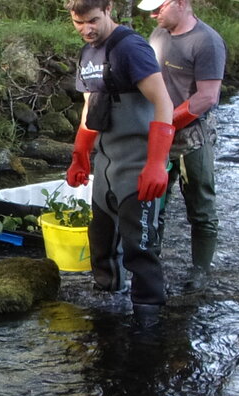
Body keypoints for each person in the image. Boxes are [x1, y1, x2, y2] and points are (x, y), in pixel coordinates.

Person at [65, 0, 177, 319]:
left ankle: (148, 318)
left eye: (93, 21)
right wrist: (80, 157)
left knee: (140, 249)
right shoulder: (87, 53)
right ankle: (107, 312)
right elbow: (89, 108)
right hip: (106, 163)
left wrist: (157, 163)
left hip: (138, 163)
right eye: (78, 23)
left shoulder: (131, 49)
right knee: (100, 243)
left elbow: (163, 102)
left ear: (109, 9)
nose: (86, 29)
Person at [142, 0, 225, 279]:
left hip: (192, 137)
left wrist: (167, 120)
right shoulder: (158, 35)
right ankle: (151, 266)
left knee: (201, 208)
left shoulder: (207, 42)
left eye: (158, 8)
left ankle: (200, 273)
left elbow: (207, 98)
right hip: (158, 133)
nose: (153, 14)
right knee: (154, 202)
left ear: (180, 3)